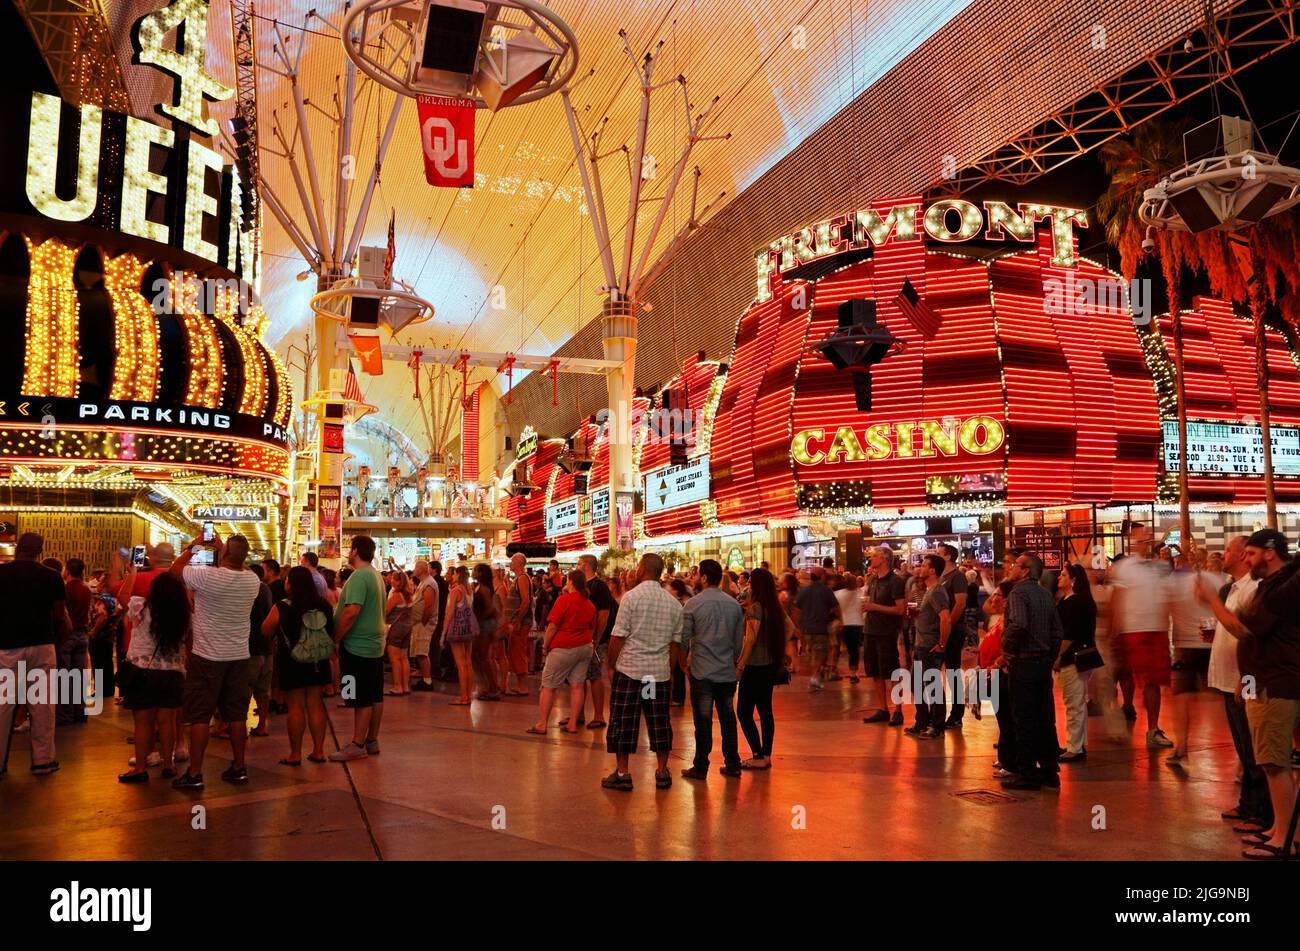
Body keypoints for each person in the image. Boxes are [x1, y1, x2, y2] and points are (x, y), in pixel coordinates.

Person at [1227, 530, 1300, 860]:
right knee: (1276, 762)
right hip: (1271, 681)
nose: (1246, 560)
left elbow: (1245, 630)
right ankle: (1284, 829)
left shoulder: (1278, 590)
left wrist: (1211, 601)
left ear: (1270, 552)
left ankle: (1284, 838)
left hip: (1276, 684)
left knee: (1274, 762)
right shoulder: (1277, 585)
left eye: (1251, 553)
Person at [170, 533, 262, 789]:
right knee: (237, 715)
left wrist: (196, 544)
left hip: (207, 656)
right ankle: (239, 768)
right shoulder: (253, 580)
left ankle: (195, 774)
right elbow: (239, 565)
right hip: (239, 657)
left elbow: (175, 569)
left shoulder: (206, 577)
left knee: (200, 715)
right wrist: (227, 552)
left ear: (224, 554)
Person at [1197, 535, 1269, 832]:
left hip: (1243, 678)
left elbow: (1246, 633)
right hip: (1229, 678)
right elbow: (1231, 624)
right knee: (1242, 745)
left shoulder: (1253, 588)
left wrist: (1212, 600)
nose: (1223, 554)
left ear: (1241, 556)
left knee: (1253, 747)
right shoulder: (1234, 588)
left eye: (1228, 550)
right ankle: (1248, 802)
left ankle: (1262, 812)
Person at [602, 554, 683, 792]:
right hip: (655, 676)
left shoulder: (631, 598)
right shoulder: (673, 604)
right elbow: (675, 645)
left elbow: (618, 637)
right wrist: (669, 671)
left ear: (643, 569)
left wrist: (611, 665)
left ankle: (623, 773)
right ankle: (662, 771)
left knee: (624, 720)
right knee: (658, 721)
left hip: (630, 672)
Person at [0, 533, 68, 776]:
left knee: (3, 704)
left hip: (7, 646)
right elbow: (59, 614)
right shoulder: (52, 576)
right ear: (40, 551)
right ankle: (43, 760)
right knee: (42, 705)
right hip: (42, 644)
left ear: (18, 547)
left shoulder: (1, 573)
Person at [1001, 553, 1065, 790]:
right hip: (1042, 664)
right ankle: (1049, 771)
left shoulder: (1018, 593)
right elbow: (1057, 631)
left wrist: (1006, 646)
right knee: (1045, 718)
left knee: (1024, 718)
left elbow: (1019, 623)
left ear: (1025, 570)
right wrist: (1050, 656)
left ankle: (1027, 772)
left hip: (1023, 664)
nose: (1010, 567)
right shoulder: (1045, 594)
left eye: (1015, 564)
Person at [118, 572, 189, 783]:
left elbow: (122, 596)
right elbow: (190, 644)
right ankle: (168, 765)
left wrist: (132, 573)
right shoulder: (184, 616)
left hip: (142, 671)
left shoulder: (141, 607)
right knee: (167, 722)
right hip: (172, 673)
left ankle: (140, 768)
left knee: (143, 723)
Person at [1110, 523, 1175, 749]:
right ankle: (1119, 720)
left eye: (1148, 538)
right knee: (1123, 676)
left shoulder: (1160, 567)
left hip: (1155, 630)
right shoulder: (1126, 567)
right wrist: (1115, 630)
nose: (1145, 542)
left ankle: (1153, 728)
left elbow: (1167, 596)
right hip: (1133, 629)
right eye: (1140, 539)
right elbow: (1117, 598)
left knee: (1153, 681)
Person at [679, 559, 745, 780]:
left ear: (705, 577)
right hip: (726, 672)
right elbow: (738, 643)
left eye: (698, 574)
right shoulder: (734, 605)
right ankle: (733, 763)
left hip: (702, 671)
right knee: (728, 718)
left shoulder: (693, 604)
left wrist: (682, 662)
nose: (695, 577)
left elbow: (684, 638)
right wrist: (733, 662)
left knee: (703, 721)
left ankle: (701, 766)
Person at [262, 566, 334, 766]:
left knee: (295, 707)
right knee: (316, 705)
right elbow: (331, 630)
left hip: (292, 661)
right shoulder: (324, 605)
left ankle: (295, 754)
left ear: (291, 584)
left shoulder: (282, 606)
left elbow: (265, 630)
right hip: (318, 661)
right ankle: (318, 751)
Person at [329, 536, 388, 761]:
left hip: (356, 646)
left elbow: (351, 611)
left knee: (358, 697)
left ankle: (357, 743)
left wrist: (336, 638)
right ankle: (371, 740)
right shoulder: (375, 575)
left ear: (355, 551)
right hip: (374, 645)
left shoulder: (359, 576)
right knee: (374, 695)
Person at [736, 568, 794, 769]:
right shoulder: (775, 607)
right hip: (770, 665)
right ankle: (766, 754)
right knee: (765, 711)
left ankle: (757, 754)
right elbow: (791, 628)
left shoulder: (755, 609)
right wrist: (776, 645)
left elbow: (750, 640)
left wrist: (740, 665)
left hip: (754, 666)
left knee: (744, 712)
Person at [529, 571, 597, 734]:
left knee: (548, 686)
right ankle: (572, 723)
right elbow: (592, 628)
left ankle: (542, 724)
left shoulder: (564, 600)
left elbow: (553, 626)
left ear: (571, 582)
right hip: (584, 647)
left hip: (563, 647)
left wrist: (546, 645)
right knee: (577, 686)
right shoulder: (589, 604)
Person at [565, 555, 615, 729]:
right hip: (580, 638)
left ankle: (599, 715)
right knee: (578, 676)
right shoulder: (581, 586)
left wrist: (597, 639)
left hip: (594, 640)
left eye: (579, 563)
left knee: (594, 675)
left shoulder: (599, 586)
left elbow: (603, 614)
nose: (577, 566)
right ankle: (577, 713)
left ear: (586, 565)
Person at [1055, 563, 1097, 762]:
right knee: (1076, 701)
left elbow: (1069, 635)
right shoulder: (1072, 600)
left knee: (1074, 702)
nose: (1059, 578)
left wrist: (1056, 656)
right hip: (1079, 656)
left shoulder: (1075, 602)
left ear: (1073, 579)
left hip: (1073, 657)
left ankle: (1075, 747)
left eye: (1063, 575)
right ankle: (1077, 743)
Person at [905, 555, 950, 739]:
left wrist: (941, 644)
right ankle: (922, 721)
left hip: (929, 646)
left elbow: (945, 618)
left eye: (924, 565)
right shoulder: (928, 591)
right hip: (921, 644)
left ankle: (936, 725)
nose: (920, 568)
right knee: (916, 684)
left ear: (932, 570)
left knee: (932, 686)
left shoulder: (936, 591)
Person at [862, 546, 906, 726]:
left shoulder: (895, 581)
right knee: (874, 671)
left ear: (884, 559)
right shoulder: (873, 580)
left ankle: (898, 710)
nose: (871, 559)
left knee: (891, 671)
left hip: (886, 632)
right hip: (870, 630)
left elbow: (900, 609)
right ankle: (882, 708)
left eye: (874, 556)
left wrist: (875, 607)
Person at [980, 583, 1015, 778]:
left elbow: (1008, 649)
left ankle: (1010, 763)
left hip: (1001, 673)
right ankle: (1005, 758)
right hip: (993, 674)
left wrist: (996, 665)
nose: (993, 599)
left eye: (998, 595)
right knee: (1002, 719)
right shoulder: (1001, 618)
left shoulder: (1009, 621)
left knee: (1007, 719)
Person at [936, 544, 970, 730]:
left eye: (939, 553)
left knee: (952, 671)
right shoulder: (942, 577)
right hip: (943, 629)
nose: (936, 555)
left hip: (953, 630)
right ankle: (938, 713)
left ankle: (957, 714)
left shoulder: (957, 577)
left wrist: (949, 623)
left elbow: (960, 603)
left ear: (948, 557)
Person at [793, 567, 840, 690]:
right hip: (820, 628)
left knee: (812, 652)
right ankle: (814, 677)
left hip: (806, 628)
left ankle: (817, 675)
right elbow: (836, 607)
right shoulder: (826, 590)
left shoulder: (804, 591)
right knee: (819, 653)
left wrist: (797, 626)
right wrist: (840, 620)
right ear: (821, 577)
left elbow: (796, 610)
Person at [440, 565, 479, 705]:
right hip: (468, 629)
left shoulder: (456, 591)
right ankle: (468, 695)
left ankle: (463, 697)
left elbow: (449, 613)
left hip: (457, 629)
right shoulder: (469, 590)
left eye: (454, 573)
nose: (452, 576)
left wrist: (443, 632)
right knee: (468, 662)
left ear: (457, 574)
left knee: (460, 663)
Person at [245, 563, 275, 738]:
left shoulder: (248, 590)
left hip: (250, 646)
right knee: (263, 691)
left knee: (245, 689)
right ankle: (262, 724)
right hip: (266, 646)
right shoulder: (266, 589)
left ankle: (235, 726)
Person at [470, 563, 502, 701]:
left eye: (475, 570)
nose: (473, 572)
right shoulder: (480, 587)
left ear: (480, 573)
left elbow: (490, 608)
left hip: (484, 625)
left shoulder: (483, 589)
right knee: (477, 656)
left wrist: (478, 619)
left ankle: (492, 688)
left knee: (482, 657)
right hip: (482, 624)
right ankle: (486, 686)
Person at [502, 554, 533, 697]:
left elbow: (525, 601)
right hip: (517, 622)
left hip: (520, 623)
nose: (510, 562)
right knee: (514, 651)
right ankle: (520, 685)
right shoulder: (518, 579)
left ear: (518, 563)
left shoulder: (522, 578)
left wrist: (518, 621)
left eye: (512, 560)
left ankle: (523, 686)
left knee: (518, 652)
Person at [408, 561, 440, 692]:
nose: (414, 569)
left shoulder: (429, 583)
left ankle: (427, 680)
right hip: (419, 623)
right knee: (419, 652)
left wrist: (423, 621)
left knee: (422, 652)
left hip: (424, 623)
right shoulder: (424, 582)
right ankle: (425, 677)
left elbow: (428, 606)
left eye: (416, 567)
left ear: (421, 569)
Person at [384, 569, 415, 696]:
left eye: (393, 578)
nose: (391, 580)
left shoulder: (396, 596)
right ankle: (405, 686)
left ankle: (397, 686)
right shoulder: (409, 595)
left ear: (397, 581)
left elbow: (385, 612)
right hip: (407, 628)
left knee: (394, 658)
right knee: (404, 657)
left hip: (396, 628)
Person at [835, 572, 865, 685]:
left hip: (843, 624)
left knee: (839, 649)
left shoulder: (838, 594)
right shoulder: (861, 593)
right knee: (854, 650)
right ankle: (853, 673)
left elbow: (834, 608)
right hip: (857, 623)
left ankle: (833, 669)